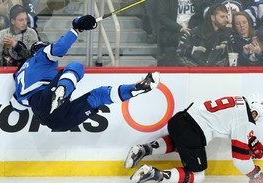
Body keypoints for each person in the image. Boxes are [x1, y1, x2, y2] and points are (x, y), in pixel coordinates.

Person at [9, 14, 161, 132]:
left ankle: (135, 88)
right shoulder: (41, 56)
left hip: (54, 122)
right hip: (47, 102)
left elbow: (16, 106)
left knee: (98, 95)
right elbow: (60, 48)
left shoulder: (21, 75)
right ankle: (63, 89)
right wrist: (77, 27)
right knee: (75, 66)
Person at [125, 94, 263, 183]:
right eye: (255, 118)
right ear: (254, 113)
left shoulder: (238, 101)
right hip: (192, 132)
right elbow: (240, 160)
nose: (253, 121)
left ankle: (143, 149)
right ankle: (154, 173)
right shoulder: (244, 119)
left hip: (179, 119)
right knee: (198, 175)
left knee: (181, 143)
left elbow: (231, 123)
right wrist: (255, 173)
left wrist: (251, 139)